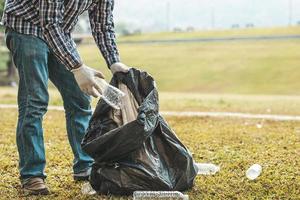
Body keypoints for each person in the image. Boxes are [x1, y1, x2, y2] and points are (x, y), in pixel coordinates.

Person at [1, 0, 129, 195]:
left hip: (59, 33)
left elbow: (103, 24)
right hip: (26, 27)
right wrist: (77, 67)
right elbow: (49, 22)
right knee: (34, 101)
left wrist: (114, 61)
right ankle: (32, 174)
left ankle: (85, 165)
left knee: (80, 98)